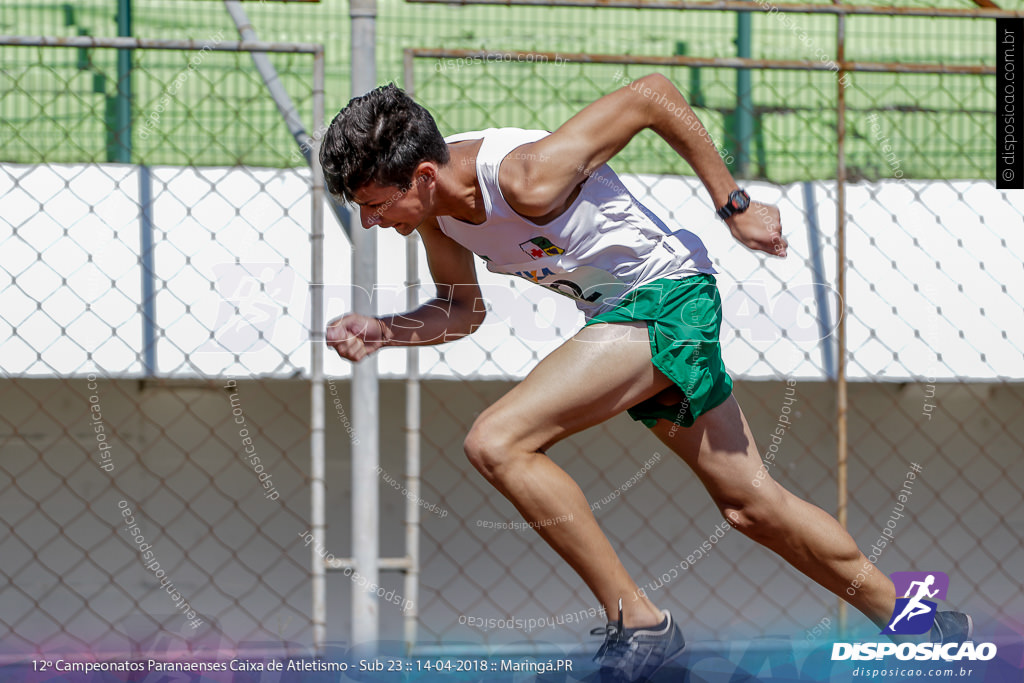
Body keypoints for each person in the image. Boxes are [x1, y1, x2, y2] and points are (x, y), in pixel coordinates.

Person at [319, 75, 971, 682]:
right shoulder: (438, 212)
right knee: (751, 504)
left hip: (666, 298)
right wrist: (385, 329)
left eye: (376, 206)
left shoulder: (526, 177)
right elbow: (463, 310)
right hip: (626, 313)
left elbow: (653, 95)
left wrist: (734, 204)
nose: (373, 222)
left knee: (498, 440)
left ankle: (640, 620)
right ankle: (931, 625)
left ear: (424, 175)